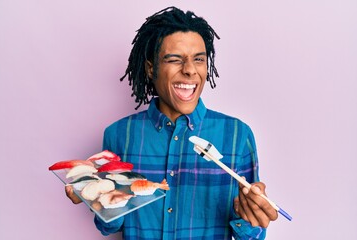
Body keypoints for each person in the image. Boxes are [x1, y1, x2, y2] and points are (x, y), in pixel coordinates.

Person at [66, 6, 277, 239]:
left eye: (198, 60)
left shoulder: (237, 134)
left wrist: (247, 216)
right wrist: (97, 198)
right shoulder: (119, 135)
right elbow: (110, 226)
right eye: (175, 60)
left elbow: (254, 235)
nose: (189, 70)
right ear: (150, 68)